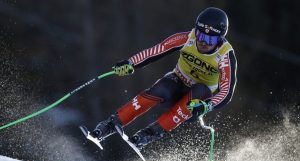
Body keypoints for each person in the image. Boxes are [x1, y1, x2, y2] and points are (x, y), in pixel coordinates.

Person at [90, 7, 237, 150]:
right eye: (200, 36)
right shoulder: (187, 38)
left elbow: (226, 91)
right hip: (177, 83)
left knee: (200, 90)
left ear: (220, 39)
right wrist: (130, 63)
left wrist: (207, 105)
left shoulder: (225, 56)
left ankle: (148, 135)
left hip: (196, 100)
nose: (203, 42)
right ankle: (108, 126)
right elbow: (156, 51)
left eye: (210, 39)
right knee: (162, 89)